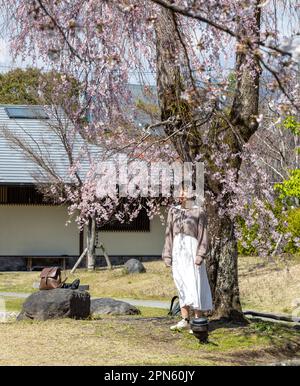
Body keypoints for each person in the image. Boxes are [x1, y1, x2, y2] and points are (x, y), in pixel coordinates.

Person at [162, 189, 213, 332]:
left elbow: (203, 235)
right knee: (181, 284)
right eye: (179, 191)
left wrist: (200, 255)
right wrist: (167, 254)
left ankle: (198, 321)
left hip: (192, 250)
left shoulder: (199, 212)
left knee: (194, 283)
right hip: (178, 252)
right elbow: (169, 234)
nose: (180, 194)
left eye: (183, 191)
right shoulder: (173, 211)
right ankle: (185, 319)